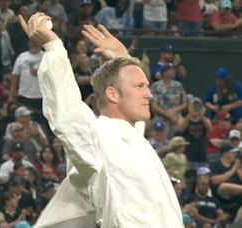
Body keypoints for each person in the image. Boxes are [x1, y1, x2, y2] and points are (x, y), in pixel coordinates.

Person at [19, 13, 183, 227]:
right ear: (113, 94)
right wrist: (53, 47)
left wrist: (123, 59)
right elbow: (66, 110)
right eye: (140, 86)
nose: (149, 94)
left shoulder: (130, 138)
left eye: (147, 86)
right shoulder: (98, 137)